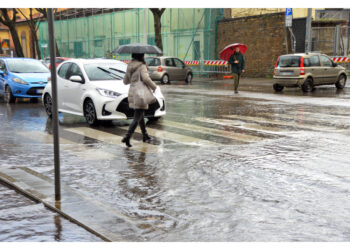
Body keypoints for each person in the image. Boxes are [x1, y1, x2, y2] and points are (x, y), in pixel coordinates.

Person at [122, 53, 157, 147]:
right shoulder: (142, 66)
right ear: (141, 56)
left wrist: (133, 79)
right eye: (143, 55)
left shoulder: (129, 66)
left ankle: (145, 135)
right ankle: (127, 136)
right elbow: (146, 78)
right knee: (137, 116)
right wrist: (154, 86)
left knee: (140, 114)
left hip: (133, 92)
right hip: (141, 93)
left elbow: (125, 81)